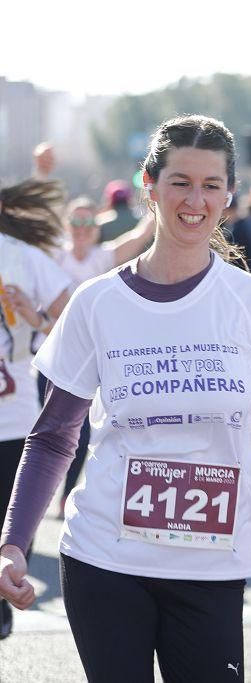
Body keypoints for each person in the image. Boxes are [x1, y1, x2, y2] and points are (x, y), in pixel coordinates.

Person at [0, 115, 251, 679]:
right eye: (180, 182)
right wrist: (14, 542)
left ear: (230, 194)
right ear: (149, 184)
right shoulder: (96, 303)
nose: (196, 200)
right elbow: (52, 438)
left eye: (212, 185)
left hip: (212, 566)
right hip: (104, 558)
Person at [45, 199, 155, 515]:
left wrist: (154, 196)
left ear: (96, 228)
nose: (81, 231)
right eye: (75, 223)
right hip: (51, 354)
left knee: (77, 430)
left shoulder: (102, 257)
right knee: (41, 426)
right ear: (67, 227)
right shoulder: (55, 255)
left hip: (89, 360)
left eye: (87, 224)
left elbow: (139, 236)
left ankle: (64, 495)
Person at [0, 178, 72, 639]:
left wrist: (37, 319)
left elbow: (72, 309)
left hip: (12, 415)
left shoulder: (21, 255)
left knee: (7, 526)